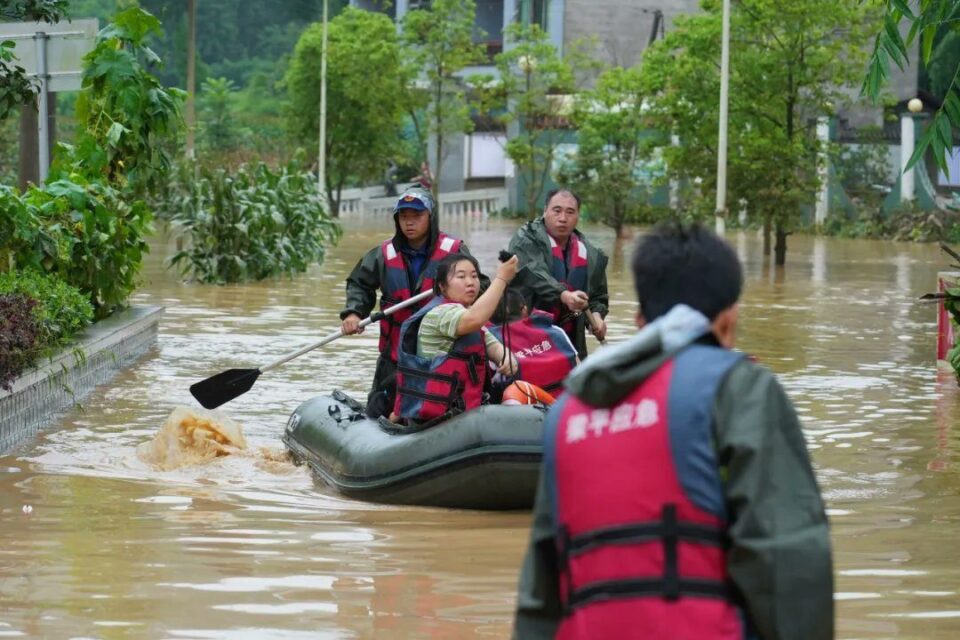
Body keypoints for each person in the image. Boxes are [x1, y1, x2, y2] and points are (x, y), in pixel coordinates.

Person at [513, 223, 833, 639]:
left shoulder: (567, 412)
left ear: (641, 320)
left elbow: (540, 594)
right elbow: (787, 559)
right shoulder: (739, 389)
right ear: (729, 320)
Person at [339, 188, 486, 418]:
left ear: (431, 217)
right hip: (395, 357)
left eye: (417, 216)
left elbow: (479, 287)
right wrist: (354, 314)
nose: (409, 222)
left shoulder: (454, 251)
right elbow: (359, 283)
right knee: (376, 415)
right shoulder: (383, 254)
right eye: (404, 216)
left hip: (440, 357)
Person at [392, 253, 519, 425]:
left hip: (463, 412)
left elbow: (493, 346)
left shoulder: (467, 315)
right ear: (443, 287)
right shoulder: (441, 313)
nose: (470, 282)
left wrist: (507, 357)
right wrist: (502, 278)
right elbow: (474, 319)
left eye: (474, 276)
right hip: (436, 419)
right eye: (461, 276)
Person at [508, 188, 609, 361]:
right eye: (557, 210)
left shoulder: (592, 254)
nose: (563, 218)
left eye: (570, 212)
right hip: (525, 341)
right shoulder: (525, 239)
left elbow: (598, 296)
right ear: (545, 211)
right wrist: (564, 295)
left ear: (578, 216)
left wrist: (597, 318)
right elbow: (535, 273)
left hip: (571, 343)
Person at [487, 289, 579, 397]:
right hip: (568, 403)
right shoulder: (555, 331)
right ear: (524, 310)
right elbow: (579, 367)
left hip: (524, 409)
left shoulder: (491, 343)